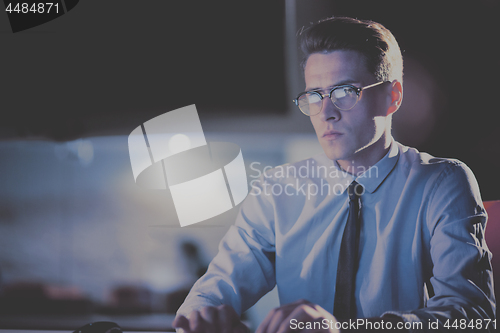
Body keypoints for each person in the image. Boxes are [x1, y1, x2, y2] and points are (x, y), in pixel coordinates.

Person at [172, 17, 495, 333]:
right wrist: (200, 317)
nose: (326, 112)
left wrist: (344, 330)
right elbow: (219, 285)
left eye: (345, 92)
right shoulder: (277, 188)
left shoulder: (441, 183)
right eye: (314, 95)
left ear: (393, 96)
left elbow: (472, 316)